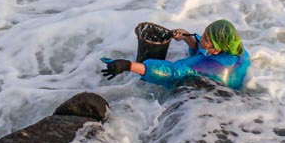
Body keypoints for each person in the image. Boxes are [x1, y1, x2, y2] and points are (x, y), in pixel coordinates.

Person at [102, 19, 250, 90]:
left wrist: (128, 65)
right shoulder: (239, 52)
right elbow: (206, 52)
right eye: (204, 32)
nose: (201, 36)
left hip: (207, 100)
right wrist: (187, 37)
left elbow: (171, 71)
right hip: (231, 98)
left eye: (205, 38)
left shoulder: (207, 65)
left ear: (217, 48)